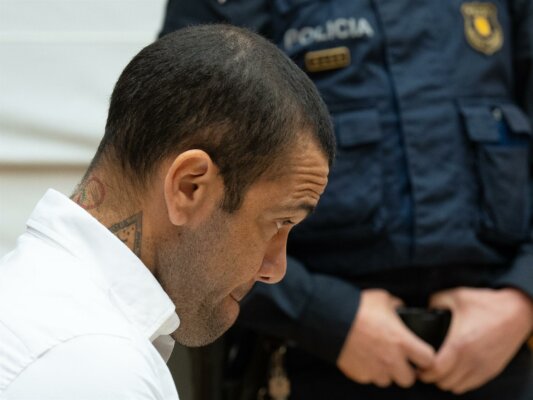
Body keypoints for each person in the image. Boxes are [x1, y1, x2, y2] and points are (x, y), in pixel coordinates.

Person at [160, 1, 533, 399]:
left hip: (500, 353)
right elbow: (181, 201)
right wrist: (321, 314)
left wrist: (521, 301)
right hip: (302, 353)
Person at [0, 24, 334, 400]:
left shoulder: (38, 301)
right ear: (189, 187)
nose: (275, 269)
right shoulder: (96, 366)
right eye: (279, 222)